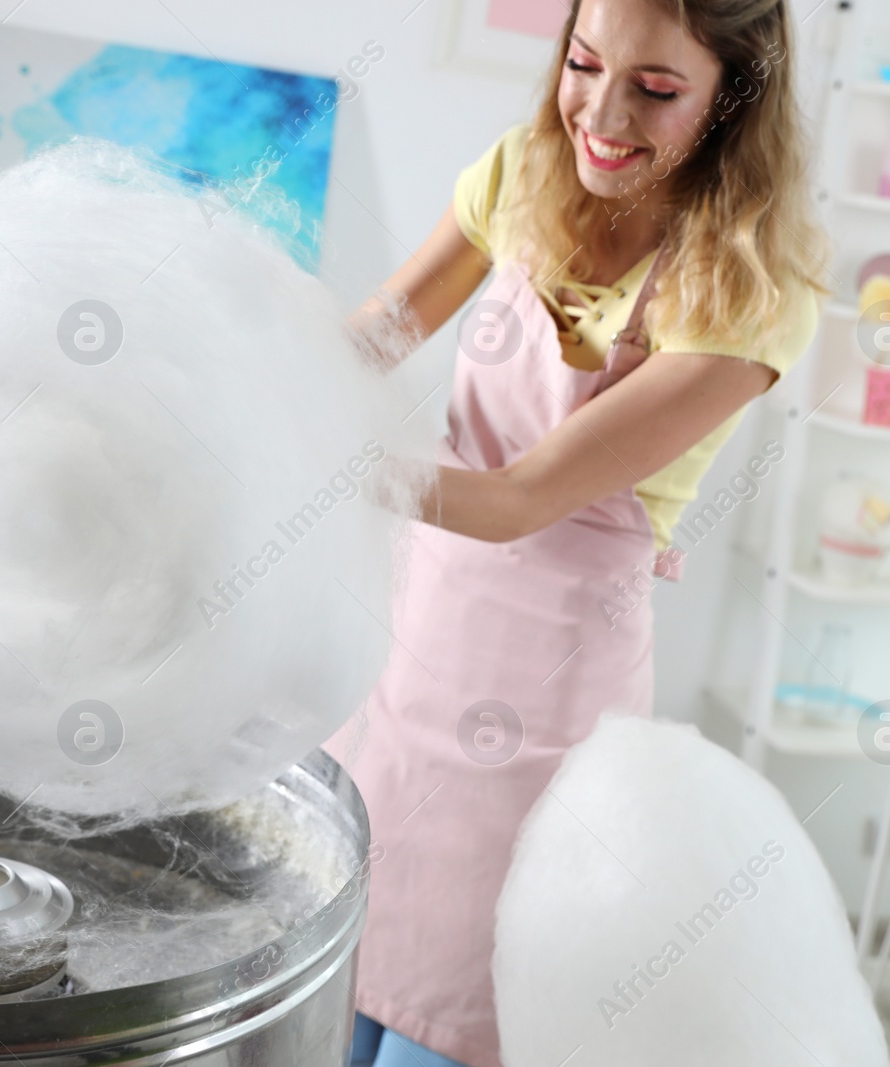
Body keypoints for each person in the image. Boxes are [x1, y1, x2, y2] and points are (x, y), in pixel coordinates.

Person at [330, 0, 825, 1064]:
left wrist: (322, 470)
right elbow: (377, 333)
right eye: (583, 63)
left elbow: (516, 500)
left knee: (455, 1013)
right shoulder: (519, 172)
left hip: (544, 702)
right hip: (413, 655)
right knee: (337, 997)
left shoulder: (743, 291)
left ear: (734, 98)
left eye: (654, 91)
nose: (599, 115)